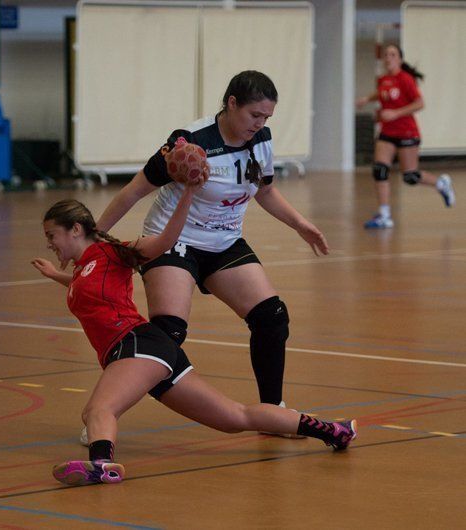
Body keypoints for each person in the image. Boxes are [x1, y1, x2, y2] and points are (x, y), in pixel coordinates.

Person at [31, 197, 356, 486]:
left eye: (51, 235)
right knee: (235, 419)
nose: (49, 243)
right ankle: (333, 431)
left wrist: (186, 196)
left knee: (98, 410)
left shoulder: (111, 253)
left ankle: (102, 464)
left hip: (136, 343)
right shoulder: (84, 269)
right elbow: (86, 289)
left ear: (75, 229)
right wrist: (56, 276)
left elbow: (167, 240)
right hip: (152, 353)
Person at [90, 71, 327, 440]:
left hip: (224, 241)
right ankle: (101, 414)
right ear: (231, 103)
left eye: (267, 118)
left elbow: (264, 192)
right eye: (254, 115)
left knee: (272, 318)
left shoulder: (260, 139)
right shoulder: (188, 144)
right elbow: (133, 192)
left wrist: (300, 224)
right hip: (173, 238)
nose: (260, 124)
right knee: (168, 333)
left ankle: (273, 414)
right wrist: (95, 240)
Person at [357, 44, 455, 229]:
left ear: (400, 59)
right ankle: (385, 215)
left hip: (407, 132)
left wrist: (395, 113)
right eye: (386, 54)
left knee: (410, 176)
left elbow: (420, 103)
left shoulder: (406, 79)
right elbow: (381, 93)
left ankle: (441, 183)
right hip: (387, 132)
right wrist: (366, 99)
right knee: (379, 170)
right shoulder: (383, 79)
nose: (388, 57)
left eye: (393, 54)